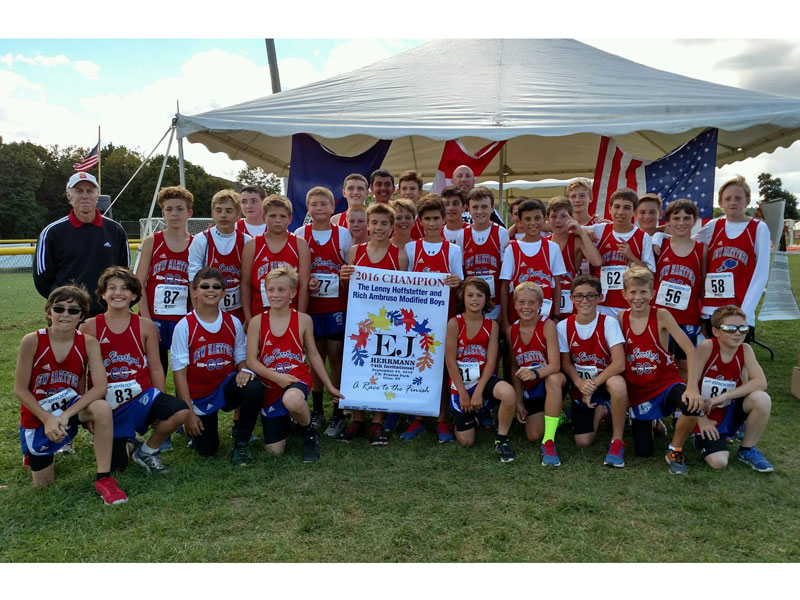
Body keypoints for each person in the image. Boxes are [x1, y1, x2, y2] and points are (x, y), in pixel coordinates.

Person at [15, 284, 128, 504]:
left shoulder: (88, 343)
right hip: (39, 416)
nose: (65, 315)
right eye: (59, 309)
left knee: (102, 407)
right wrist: (47, 419)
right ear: (49, 312)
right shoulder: (32, 341)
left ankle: (104, 478)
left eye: (73, 310)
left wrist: (66, 416)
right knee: (43, 486)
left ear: (82, 316)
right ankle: (29, 447)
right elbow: (20, 390)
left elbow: (99, 388)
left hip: (68, 409)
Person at [80, 267, 189, 474]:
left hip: (141, 397)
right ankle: (128, 443)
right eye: (111, 288)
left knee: (179, 411)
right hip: (107, 403)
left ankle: (147, 451)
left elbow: (156, 367)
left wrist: (160, 399)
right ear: (103, 293)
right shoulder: (90, 327)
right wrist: (86, 409)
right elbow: (81, 370)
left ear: (134, 295)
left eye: (125, 288)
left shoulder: (145, 326)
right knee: (117, 467)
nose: (118, 293)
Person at [246, 267, 343, 463]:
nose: (275, 294)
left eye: (281, 290)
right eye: (271, 289)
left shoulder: (304, 320)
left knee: (292, 400)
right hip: (270, 384)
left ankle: (309, 435)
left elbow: (314, 355)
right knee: (275, 451)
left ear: (293, 292)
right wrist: (276, 377)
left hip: (296, 379)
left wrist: (330, 386)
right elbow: (251, 361)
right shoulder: (257, 322)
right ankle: (289, 422)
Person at [170, 268, 264, 464]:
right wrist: (189, 413)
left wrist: (244, 371)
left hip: (224, 386)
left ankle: (241, 442)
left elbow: (241, 359)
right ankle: (191, 428)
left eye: (216, 287)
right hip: (199, 394)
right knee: (207, 449)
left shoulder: (233, 322)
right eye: (204, 286)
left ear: (223, 293)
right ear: (194, 291)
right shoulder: (184, 326)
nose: (210, 290)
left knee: (253, 386)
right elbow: (179, 375)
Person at [618, 266, 703, 474]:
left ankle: (675, 449)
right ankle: (653, 421)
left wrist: (691, 387)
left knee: (692, 405)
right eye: (633, 292)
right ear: (624, 294)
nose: (638, 297)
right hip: (639, 389)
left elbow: (690, 350)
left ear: (652, 293)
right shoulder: (621, 318)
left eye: (643, 292)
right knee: (643, 451)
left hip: (665, 381)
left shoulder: (662, 315)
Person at [338, 203, 409, 442]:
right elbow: (349, 290)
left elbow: (403, 291)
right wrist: (344, 278)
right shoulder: (354, 251)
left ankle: (377, 420)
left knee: (381, 367)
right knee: (357, 367)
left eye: (384, 224)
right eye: (375, 223)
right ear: (367, 225)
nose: (379, 228)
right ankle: (357, 417)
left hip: (386, 323)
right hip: (359, 320)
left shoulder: (398, 253)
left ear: (392, 227)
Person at [401, 195, 463, 442]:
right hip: (417, 321)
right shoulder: (411, 248)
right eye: (427, 219)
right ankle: (417, 417)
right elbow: (403, 283)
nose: (432, 223)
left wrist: (457, 282)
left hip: (445, 318)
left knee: (443, 369)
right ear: (421, 221)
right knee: (418, 366)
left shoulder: (453, 249)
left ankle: (441, 419)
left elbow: (460, 281)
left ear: (444, 219)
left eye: (436, 218)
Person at [294, 186, 352, 433]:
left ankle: (339, 411)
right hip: (312, 308)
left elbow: (349, 269)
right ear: (308, 208)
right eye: (314, 204)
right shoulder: (299, 233)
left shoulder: (343, 234)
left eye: (323, 204)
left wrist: (342, 277)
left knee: (336, 356)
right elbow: (294, 269)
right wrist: (306, 281)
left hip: (336, 306)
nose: (318, 208)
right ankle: (317, 410)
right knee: (316, 357)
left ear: (332, 207)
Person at [557, 275, 628, 467]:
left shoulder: (608, 323)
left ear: (599, 297)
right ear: (571, 298)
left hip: (603, 382)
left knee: (618, 383)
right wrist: (579, 383)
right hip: (583, 385)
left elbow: (619, 363)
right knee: (583, 441)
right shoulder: (563, 326)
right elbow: (566, 363)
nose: (584, 301)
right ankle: (602, 410)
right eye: (579, 296)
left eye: (590, 296)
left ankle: (617, 441)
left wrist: (593, 385)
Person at [34, 172, 129, 316]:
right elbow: (42, 277)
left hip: (106, 312)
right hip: (68, 313)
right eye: (78, 191)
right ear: (69, 195)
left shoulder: (115, 230)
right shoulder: (52, 232)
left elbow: (124, 272)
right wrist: (63, 302)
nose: (85, 195)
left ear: (97, 195)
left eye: (90, 191)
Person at [693, 305, 774, 472]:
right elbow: (690, 387)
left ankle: (747, 449)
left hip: (729, 409)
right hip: (706, 414)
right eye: (730, 328)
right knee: (719, 462)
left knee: (761, 398)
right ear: (716, 331)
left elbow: (761, 382)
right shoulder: (707, 347)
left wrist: (722, 397)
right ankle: (699, 437)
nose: (737, 333)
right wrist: (701, 419)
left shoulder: (745, 349)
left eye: (742, 328)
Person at [445, 277, 517, 461]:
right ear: (463, 297)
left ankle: (501, 440)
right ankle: (466, 415)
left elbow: (492, 361)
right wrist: (463, 392)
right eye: (470, 295)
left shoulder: (491, 325)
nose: (474, 299)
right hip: (461, 383)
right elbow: (450, 362)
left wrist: (477, 392)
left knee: (508, 393)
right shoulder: (454, 323)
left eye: (479, 295)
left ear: (487, 298)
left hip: (482, 380)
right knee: (466, 441)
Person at [693, 176, 770, 333]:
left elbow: (761, 273)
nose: (732, 202)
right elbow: (685, 242)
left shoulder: (758, 228)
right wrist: (658, 237)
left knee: (737, 355)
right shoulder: (714, 225)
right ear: (720, 203)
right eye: (727, 198)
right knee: (712, 354)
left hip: (739, 307)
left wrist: (746, 311)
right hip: (712, 308)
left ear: (747, 200)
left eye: (738, 198)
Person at [135, 185, 194, 374]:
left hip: (183, 318)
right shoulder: (152, 241)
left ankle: (184, 403)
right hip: (155, 317)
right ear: (163, 213)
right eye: (169, 209)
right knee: (156, 368)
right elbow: (138, 283)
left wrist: (194, 317)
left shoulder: (197, 243)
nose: (174, 214)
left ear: (189, 213)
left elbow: (198, 286)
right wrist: (146, 318)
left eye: (179, 209)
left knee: (184, 368)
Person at [508, 282, 565, 466]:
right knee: (532, 435)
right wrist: (518, 401)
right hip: (532, 388)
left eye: (532, 303)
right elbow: (514, 368)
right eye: (521, 302)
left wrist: (535, 373)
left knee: (554, 379)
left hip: (549, 381)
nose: (526, 307)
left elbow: (555, 365)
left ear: (540, 305)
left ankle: (549, 442)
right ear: (515, 304)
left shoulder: (547, 325)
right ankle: (560, 416)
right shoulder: (511, 331)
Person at [653, 199, 705, 382]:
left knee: (684, 363)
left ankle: (682, 399)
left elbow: (704, 284)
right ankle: (662, 396)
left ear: (694, 220)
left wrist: (704, 315)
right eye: (676, 218)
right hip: (660, 316)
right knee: (661, 360)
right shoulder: (659, 248)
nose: (681, 223)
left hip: (688, 317)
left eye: (686, 218)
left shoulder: (701, 250)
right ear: (667, 221)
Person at [241, 194, 310, 328]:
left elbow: (304, 284)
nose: (277, 220)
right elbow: (245, 284)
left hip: (290, 314)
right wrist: (249, 318)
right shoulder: (252, 245)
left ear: (290, 219)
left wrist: (300, 317)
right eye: (272, 216)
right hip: (259, 314)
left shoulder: (299, 244)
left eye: (282, 216)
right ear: (263, 218)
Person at [499, 199, 566, 332]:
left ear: (544, 219)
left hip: (546, 317)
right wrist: (505, 321)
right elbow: (504, 287)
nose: (533, 223)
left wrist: (556, 316)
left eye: (537, 218)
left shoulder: (552, 248)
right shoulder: (512, 249)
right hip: (517, 317)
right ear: (520, 221)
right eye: (527, 219)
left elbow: (558, 285)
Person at [590, 188, 655, 319]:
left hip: (629, 304)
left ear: (634, 212)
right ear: (609, 209)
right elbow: (565, 226)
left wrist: (631, 257)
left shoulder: (643, 237)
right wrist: (582, 231)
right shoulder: (600, 230)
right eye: (617, 207)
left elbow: (650, 274)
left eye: (626, 208)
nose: (620, 212)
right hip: (602, 304)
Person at [187, 189, 250, 325]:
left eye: (229, 211)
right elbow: (193, 279)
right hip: (208, 311)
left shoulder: (246, 241)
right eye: (218, 210)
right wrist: (198, 312)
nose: (223, 215)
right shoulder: (201, 240)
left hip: (237, 311)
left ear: (239, 214)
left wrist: (248, 316)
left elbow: (248, 282)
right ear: (212, 214)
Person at [546, 197, 602, 320]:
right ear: (547, 220)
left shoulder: (576, 241)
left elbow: (597, 261)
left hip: (570, 299)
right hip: (548, 297)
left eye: (563, 216)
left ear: (571, 219)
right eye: (554, 216)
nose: (558, 221)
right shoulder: (543, 242)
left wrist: (582, 232)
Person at [462, 186, 509, 321]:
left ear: (492, 207)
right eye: (475, 207)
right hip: (471, 301)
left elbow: (505, 274)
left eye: (484, 207)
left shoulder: (501, 233)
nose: (479, 211)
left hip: (495, 303)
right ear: (468, 209)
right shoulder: (462, 235)